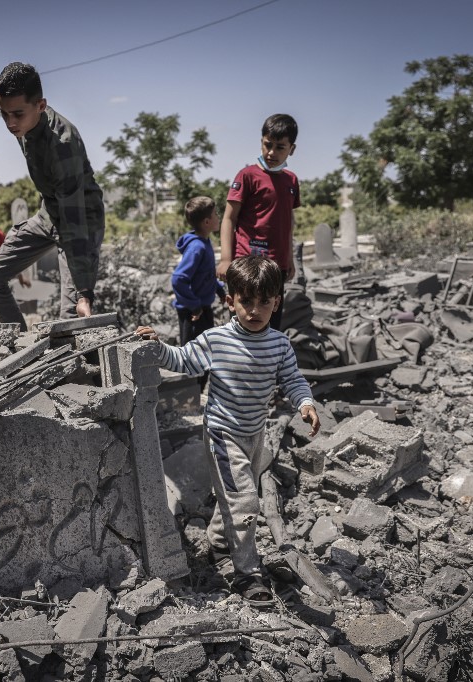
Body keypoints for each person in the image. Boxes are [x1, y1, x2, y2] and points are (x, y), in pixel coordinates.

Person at [136, 256, 320, 603]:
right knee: (245, 500)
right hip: (223, 435)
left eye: (264, 301)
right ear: (229, 301)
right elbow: (183, 360)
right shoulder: (216, 340)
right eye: (246, 301)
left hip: (254, 434)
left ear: (276, 302)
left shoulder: (279, 345)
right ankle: (247, 575)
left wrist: (305, 404)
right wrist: (158, 347)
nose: (254, 310)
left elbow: (293, 380)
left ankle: (219, 543)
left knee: (233, 497)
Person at [0, 61, 106, 331]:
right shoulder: (24, 123)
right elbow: (56, 205)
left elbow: (74, 221)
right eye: (3, 114)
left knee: (72, 317)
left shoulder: (62, 143)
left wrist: (84, 291)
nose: (10, 123)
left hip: (81, 219)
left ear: (40, 105)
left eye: (16, 114)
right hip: (50, 212)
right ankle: (24, 351)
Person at [217, 114, 301, 331]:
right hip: (246, 263)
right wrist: (226, 258)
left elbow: (287, 223)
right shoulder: (247, 176)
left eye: (280, 147)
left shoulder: (291, 180)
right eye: (268, 144)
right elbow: (228, 218)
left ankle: (268, 365)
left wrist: (289, 259)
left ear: (291, 149)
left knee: (271, 324)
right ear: (261, 142)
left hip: (276, 267)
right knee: (244, 322)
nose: (272, 152)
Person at [172, 196, 225, 348]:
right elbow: (178, 279)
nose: (218, 217)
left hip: (202, 307)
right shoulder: (197, 247)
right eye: (215, 214)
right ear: (207, 222)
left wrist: (219, 291)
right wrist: (194, 305)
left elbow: (205, 274)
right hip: (193, 311)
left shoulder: (205, 242)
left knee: (204, 351)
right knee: (193, 354)